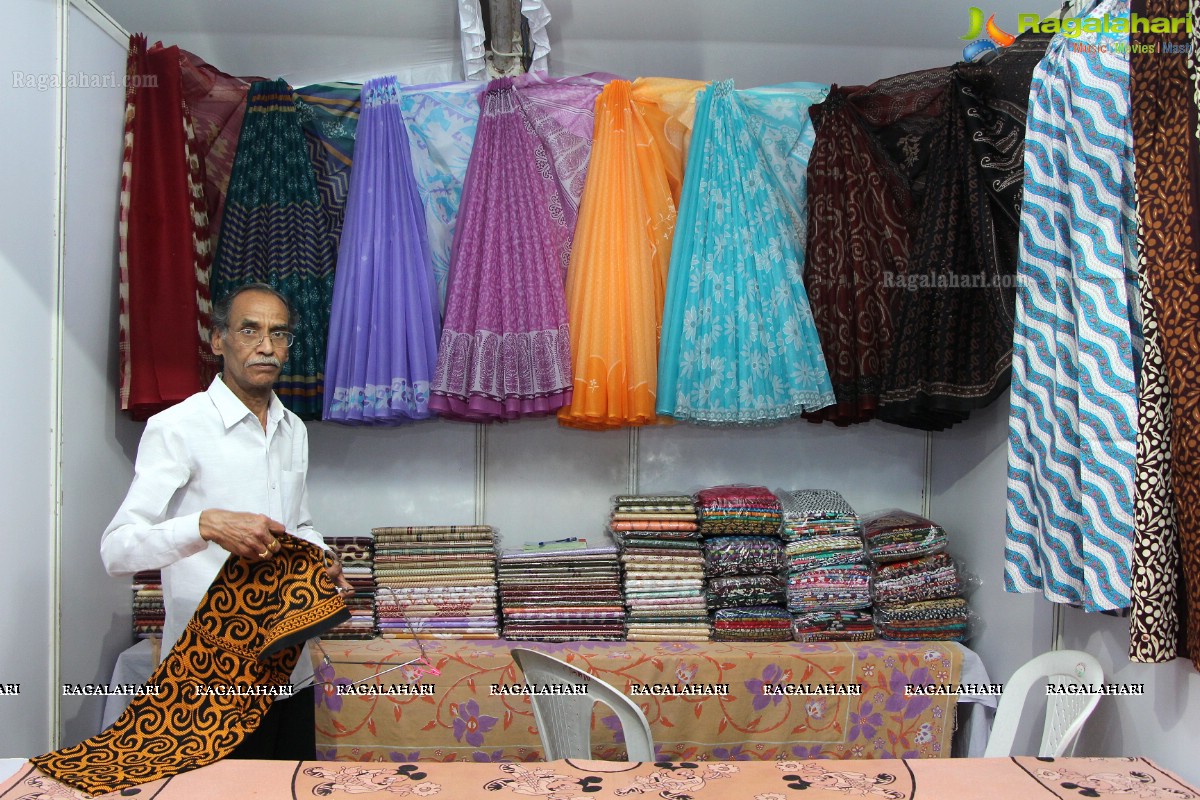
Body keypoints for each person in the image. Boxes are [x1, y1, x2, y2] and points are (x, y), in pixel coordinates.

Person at [101, 282, 353, 760]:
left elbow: (299, 523)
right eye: (249, 330)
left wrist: (322, 560)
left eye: (279, 334)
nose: (266, 346)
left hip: (287, 666)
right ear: (218, 341)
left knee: (288, 789)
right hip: (210, 679)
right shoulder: (178, 428)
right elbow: (117, 549)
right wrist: (206, 525)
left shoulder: (292, 428)